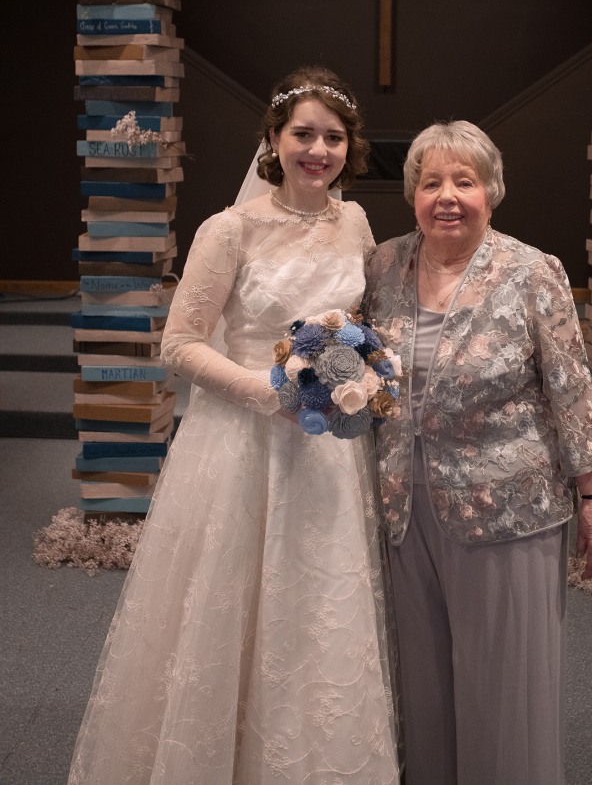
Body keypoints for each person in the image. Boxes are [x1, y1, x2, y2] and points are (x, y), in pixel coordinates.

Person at [68, 67, 400, 785]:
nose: (318, 149)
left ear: (351, 147)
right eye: (303, 134)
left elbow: (359, 323)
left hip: (327, 451)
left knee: (318, 607)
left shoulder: (355, 223)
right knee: (229, 607)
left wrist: (358, 375)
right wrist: (269, 390)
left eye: (333, 137)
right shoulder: (230, 228)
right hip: (244, 441)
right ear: (273, 142)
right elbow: (180, 343)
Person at [362, 120, 592, 785]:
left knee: (503, 689)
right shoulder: (381, 266)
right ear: (412, 193)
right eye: (431, 181)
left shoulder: (533, 272)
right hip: (402, 508)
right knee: (423, 686)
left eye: (463, 182)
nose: (447, 195)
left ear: (491, 192)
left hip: (510, 511)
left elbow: (572, 392)